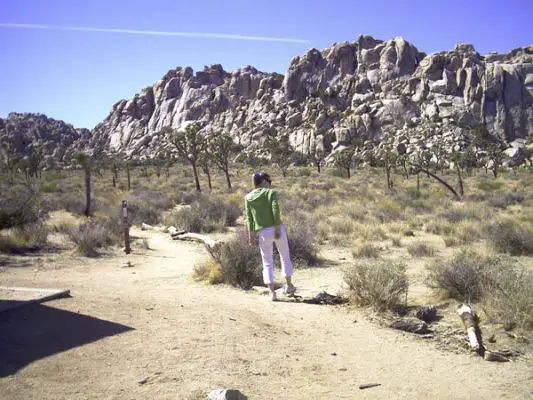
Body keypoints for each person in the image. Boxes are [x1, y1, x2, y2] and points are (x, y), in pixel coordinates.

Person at [245, 171, 296, 301]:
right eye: (269, 182)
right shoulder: (271, 193)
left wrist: (251, 236)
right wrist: (278, 228)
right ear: (263, 182)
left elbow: (249, 218)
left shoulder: (248, 197)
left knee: (267, 261)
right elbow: (275, 210)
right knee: (284, 256)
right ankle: (289, 285)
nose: (270, 184)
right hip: (276, 228)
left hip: (262, 232)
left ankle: (272, 292)